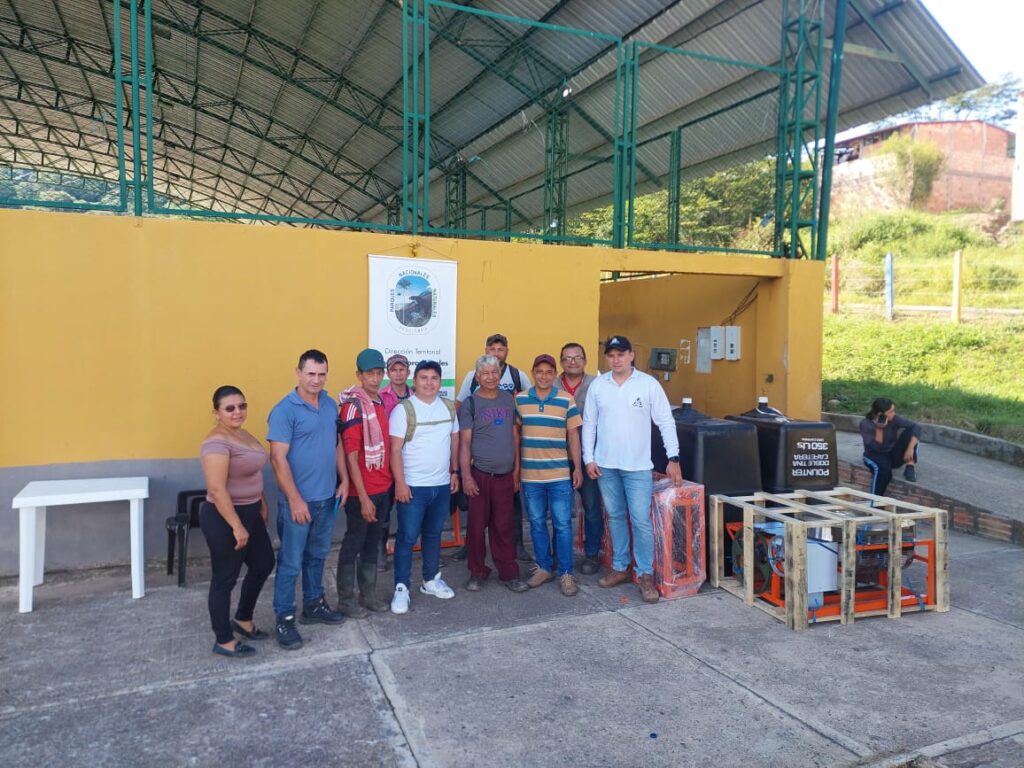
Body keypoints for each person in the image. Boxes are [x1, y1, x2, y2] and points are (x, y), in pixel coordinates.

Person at [582, 335, 682, 604]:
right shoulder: (598, 386)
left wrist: (673, 457)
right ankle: (620, 567)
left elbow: (665, 421)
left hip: (638, 466)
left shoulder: (648, 384)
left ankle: (645, 573)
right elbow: (589, 423)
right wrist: (589, 458)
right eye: (611, 355)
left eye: (621, 354)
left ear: (631, 355)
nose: (616, 360)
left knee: (640, 520)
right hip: (606, 465)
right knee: (615, 516)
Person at [267, 349, 349, 650]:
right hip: (297, 503)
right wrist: (295, 499)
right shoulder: (284, 410)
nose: (316, 380)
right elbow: (277, 458)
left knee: (317, 556)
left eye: (321, 374)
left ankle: (314, 604)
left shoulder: (329, 405)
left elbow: (336, 445)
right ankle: (285, 618)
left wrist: (345, 480)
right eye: (311, 374)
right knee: (290, 563)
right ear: (298, 373)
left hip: (326, 498)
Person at [199, 385, 275, 658]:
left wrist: (262, 502)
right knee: (225, 577)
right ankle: (223, 639)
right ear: (216, 413)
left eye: (242, 406)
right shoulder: (216, 442)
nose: (237, 412)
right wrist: (237, 526)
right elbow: (217, 489)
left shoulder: (243, 434)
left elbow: (252, 473)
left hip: (251, 512)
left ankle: (243, 618)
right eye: (229, 408)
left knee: (263, 563)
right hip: (225, 517)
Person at [388, 360, 460, 614]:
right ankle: (401, 588)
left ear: (440, 382)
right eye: (424, 378)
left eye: (434, 378)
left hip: (441, 485)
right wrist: (400, 483)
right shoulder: (403, 410)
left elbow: (454, 441)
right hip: (413, 488)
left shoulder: (448, 408)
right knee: (407, 538)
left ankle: (430, 580)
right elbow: (395, 450)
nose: (429, 383)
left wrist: (454, 472)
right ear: (414, 381)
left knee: (433, 534)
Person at [456, 333, 532, 561]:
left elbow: (526, 404)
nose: (496, 353)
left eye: (501, 349)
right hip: (480, 462)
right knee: (477, 515)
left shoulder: (517, 376)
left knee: (509, 512)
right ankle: (472, 553)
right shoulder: (471, 380)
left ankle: (516, 547)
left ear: (506, 352)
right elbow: (460, 407)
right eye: (492, 349)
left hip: (507, 460)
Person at [516, 354, 583, 596]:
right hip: (531, 475)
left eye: (548, 372)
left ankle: (566, 572)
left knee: (563, 525)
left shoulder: (566, 399)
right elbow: (516, 436)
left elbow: (573, 436)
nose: (544, 376)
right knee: (536, 523)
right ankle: (544, 567)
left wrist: (577, 467)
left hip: (559, 475)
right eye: (539, 371)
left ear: (555, 375)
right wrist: (516, 470)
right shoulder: (521, 400)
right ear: (533, 373)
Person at [335, 349, 392, 618]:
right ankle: (346, 601)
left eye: (379, 373)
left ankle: (368, 595)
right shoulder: (353, 407)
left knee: (371, 542)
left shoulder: (378, 402)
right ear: (359, 375)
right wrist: (364, 497)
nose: (375, 378)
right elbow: (351, 454)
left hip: (382, 487)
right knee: (354, 543)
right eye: (370, 373)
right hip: (362, 493)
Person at [559, 342, 601, 575]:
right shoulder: (551, 385)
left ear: (585, 361)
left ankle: (592, 555)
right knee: (559, 510)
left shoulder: (597, 385)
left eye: (577, 357)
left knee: (592, 506)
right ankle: (559, 555)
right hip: (557, 457)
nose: (572, 362)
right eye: (567, 358)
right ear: (561, 362)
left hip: (588, 457)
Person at [377, 353, 413, 570]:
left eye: (402, 369)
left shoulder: (417, 395)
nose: (398, 374)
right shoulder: (380, 397)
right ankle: (380, 551)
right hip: (387, 461)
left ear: (408, 372)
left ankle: (405, 549)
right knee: (383, 510)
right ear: (388, 373)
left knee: (412, 509)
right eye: (394, 370)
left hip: (413, 461)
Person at [860, 397, 922, 496]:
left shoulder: (894, 419)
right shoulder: (866, 424)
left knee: (911, 433)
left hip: (892, 454)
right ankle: (875, 502)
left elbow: (916, 427)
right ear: (880, 414)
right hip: (874, 456)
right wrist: (880, 429)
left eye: (894, 411)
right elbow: (877, 448)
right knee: (885, 474)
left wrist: (910, 449)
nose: (894, 414)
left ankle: (910, 466)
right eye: (891, 412)